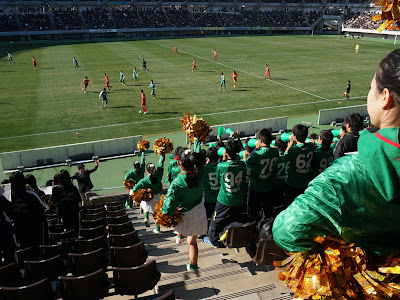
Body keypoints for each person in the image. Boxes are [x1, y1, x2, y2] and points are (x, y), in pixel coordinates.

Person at [273, 49, 400, 261]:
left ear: (385, 97)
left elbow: (286, 231)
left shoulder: (347, 173)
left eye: (371, 88)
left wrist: (346, 261)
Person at [162, 143, 207, 270]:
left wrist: (166, 213)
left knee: (190, 243)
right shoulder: (200, 173)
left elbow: (167, 207)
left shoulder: (176, 184)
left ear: (179, 164)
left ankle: (180, 236)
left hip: (186, 215)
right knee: (193, 242)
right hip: (199, 210)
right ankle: (193, 265)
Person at [205, 139, 247, 247]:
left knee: (215, 220)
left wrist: (223, 159)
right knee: (236, 218)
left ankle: (213, 240)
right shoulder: (242, 164)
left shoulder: (221, 166)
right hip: (238, 197)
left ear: (226, 152)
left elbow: (219, 178)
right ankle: (236, 238)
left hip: (224, 199)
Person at [243, 128, 279, 222]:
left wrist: (255, 148)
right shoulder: (275, 152)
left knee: (253, 214)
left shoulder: (256, 155)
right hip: (269, 186)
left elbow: (247, 162)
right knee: (268, 213)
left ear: (260, 140)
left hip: (256, 188)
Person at [10, 171, 46, 248]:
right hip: (34, 231)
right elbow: (43, 207)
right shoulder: (31, 194)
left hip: (20, 233)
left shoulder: (11, 198)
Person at [132, 155, 165, 233]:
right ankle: (157, 229)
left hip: (148, 197)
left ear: (147, 171)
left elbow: (134, 189)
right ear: (155, 170)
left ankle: (146, 217)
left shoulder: (144, 180)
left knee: (144, 205)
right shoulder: (159, 175)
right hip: (157, 196)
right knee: (155, 213)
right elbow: (161, 164)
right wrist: (162, 155)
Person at [284, 124, 315, 205]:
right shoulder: (311, 146)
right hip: (306, 181)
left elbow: (284, 156)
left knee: (291, 204)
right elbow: (311, 144)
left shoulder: (293, 150)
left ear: (294, 136)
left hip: (293, 182)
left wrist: (290, 143)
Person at [202, 147, 220, 219]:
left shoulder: (205, 168)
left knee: (209, 219)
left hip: (209, 199)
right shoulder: (221, 165)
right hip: (220, 199)